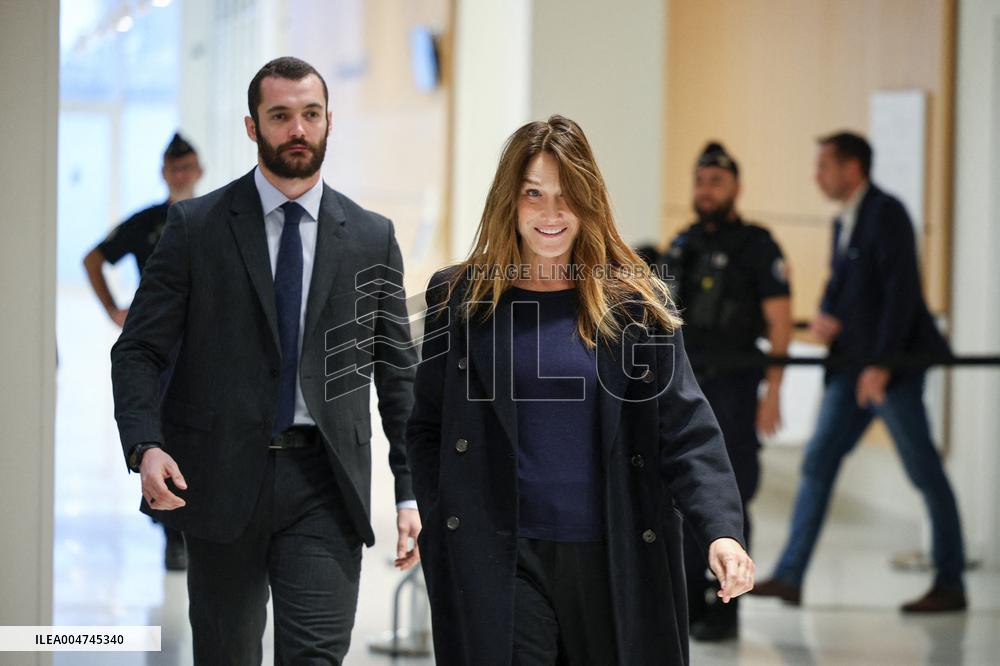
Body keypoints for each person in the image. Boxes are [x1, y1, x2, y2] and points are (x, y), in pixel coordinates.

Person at [406, 115, 754, 666]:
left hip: (613, 556)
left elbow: (686, 430)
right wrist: (442, 520)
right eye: (533, 194)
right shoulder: (459, 298)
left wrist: (721, 532)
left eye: (566, 195)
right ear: (509, 200)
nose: (550, 213)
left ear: (589, 202)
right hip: (500, 557)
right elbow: (427, 425)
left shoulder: (635, 304)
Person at [110, 56, 422, 664]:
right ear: (253, 127)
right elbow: (139, 349)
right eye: (280, 116)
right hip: (220, 479)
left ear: (329, 121)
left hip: (326, 483)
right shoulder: (196, 228)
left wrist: (411, 492)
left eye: (310, 114)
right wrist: (145, 445)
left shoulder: (371, 238)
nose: (297, 129)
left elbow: (398, 377)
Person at [752, 131, 966, 613]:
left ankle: (950, 581)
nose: (817, 176)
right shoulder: (844, 219)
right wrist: (828, 316)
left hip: (889, 369)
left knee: (923, 470)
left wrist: (882, 365)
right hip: (851, 365)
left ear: (852, 168)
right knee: (818, 461)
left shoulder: (887, 213)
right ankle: (791, 575)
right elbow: (846, 284)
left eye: (824, 166)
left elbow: (900, 294)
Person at [663, 142, 792, 641]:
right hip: (685, 388)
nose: (706, 190)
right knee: (682, 496)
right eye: (700, 181)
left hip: (735, 389)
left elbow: (780, 321)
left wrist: (773, 392)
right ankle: (690, 600)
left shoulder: (757, 246)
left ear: (736, 187)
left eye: (716, 182)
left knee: (731, 494)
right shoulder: (683, 243)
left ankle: (726, 608)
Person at [83, 132, 203, 571]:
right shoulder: (148, 222)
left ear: (200, 171)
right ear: (163, 173)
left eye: (187, 168)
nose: (181, 176)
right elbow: (93, 259)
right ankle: (171, 532)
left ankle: (193, 522)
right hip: (159, 346)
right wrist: (114, 310)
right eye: (174, 169)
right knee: (160, 430)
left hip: (204, 343)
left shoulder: (215, 219)